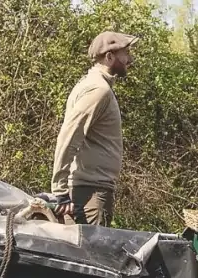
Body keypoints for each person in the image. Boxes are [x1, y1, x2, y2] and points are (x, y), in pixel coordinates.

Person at [49, 31, 138, 226]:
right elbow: (69, 137)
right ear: (109, 57)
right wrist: (60, 191)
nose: (129, 59)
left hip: (90, 189)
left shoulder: (94, 85)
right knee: (93, 255)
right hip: (90, 193)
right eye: (125, 54)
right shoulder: (98, 90)